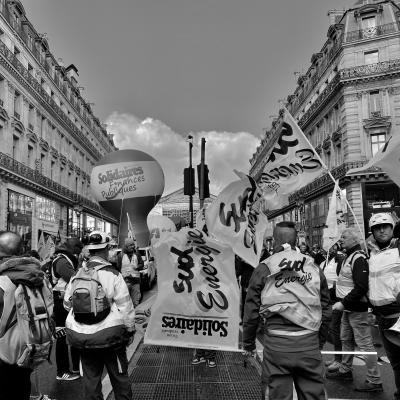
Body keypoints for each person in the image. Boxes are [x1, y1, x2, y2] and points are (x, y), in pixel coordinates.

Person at [243, 221, 331, 400]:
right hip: (309, 344)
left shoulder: (264, 267)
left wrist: (249, 344)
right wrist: (319, 342)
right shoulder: (313, 267)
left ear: (274, 241)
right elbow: (326, 308)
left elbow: (251, 310)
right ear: (297, 240)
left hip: (277, 347)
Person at [63, 231, 135, 400]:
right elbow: (126, 306)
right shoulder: (113, 274)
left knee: (90, 380)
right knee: (119, 377)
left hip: (83, 339)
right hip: (111, 339)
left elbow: (67, 304)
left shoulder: (77, 275)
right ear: (106, 249)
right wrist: (130, 330)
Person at [327, 227, 383, 392]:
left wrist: (343, 303)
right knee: (346, 339)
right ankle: (345, 370)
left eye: (344, 237)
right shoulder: (349, 256)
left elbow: (361, 287)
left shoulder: (358, 258)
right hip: (348, 308)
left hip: (356, 309)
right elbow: (344, 283)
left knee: (365, 345)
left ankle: (375, 380)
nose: (341, 240)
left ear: (354, 239)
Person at [0, 231, 47, 400]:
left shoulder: (2, 279)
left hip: (4, 352)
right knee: (22, 388)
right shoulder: (39, 276)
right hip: (29, 346)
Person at [367, 213, 400, 399]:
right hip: (382, 318)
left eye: (385, 226)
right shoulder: (372, 254)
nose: (381, 230)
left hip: (398, 315)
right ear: (372, 231)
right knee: (395, 363)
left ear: (392, 228)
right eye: (377, 227)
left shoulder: (399, 247)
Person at [52, 238, 83, 381]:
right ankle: (62, 371)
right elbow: (74, 279)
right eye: (78, 250)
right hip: (60, 303)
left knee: (73, 333)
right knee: (62, 336)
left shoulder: (67, 259)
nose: (79, 252)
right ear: (73, 248)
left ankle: (76, 367)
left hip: (67, 302)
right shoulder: (62, 261)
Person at [321, 243, 345, 372]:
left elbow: (341, 278)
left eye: (331, 245)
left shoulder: (340, 259)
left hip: (336, 299)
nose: (328, 247)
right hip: (328, 299)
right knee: (333, 329)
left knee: (335, 330)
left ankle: (340, 360)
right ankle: (338, 358)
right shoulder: (326, 259)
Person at [120, 238, 144, 307]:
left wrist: (138, 267)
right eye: (130, 245)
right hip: (125, 282)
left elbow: (141, 264)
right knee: (126, 303)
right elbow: (118, 267)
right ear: (126, 246)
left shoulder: (137, 254)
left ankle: (135, 317)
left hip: (136, 282)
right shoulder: (120, 256)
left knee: (136, 302)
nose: (133, 246)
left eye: (133, 244)